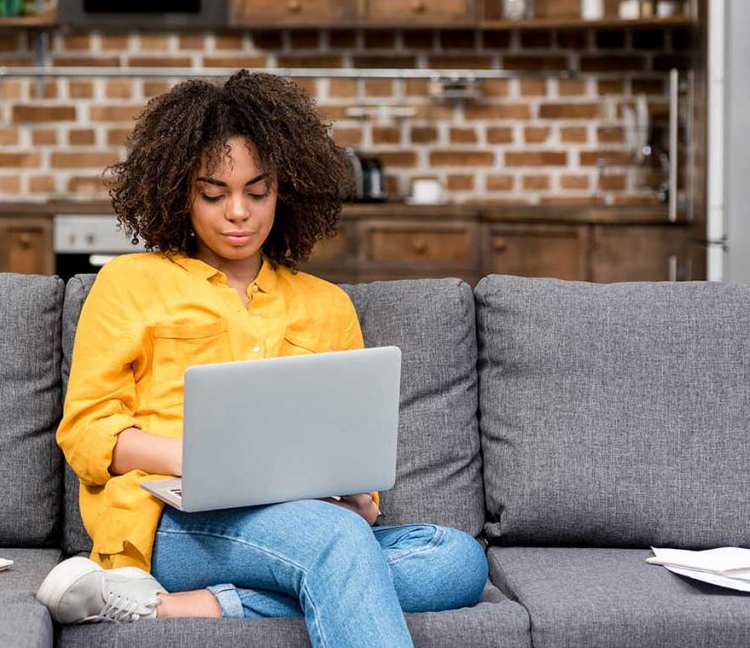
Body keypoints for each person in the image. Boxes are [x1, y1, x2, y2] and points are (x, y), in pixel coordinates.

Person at [36, 69, 488, 647]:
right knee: (335, 544)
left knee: (455, 559)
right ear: (179, 191)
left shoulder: (326, 305)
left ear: (285, 190)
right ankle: (251, 575)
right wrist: (204, 460)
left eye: (257, 191)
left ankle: (179, 609)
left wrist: (356, 500)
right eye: (214, 193)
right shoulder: (130, 282)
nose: (239, 213)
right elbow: (88, 432)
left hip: (304, 521)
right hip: (174, 522)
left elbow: (355, 462)